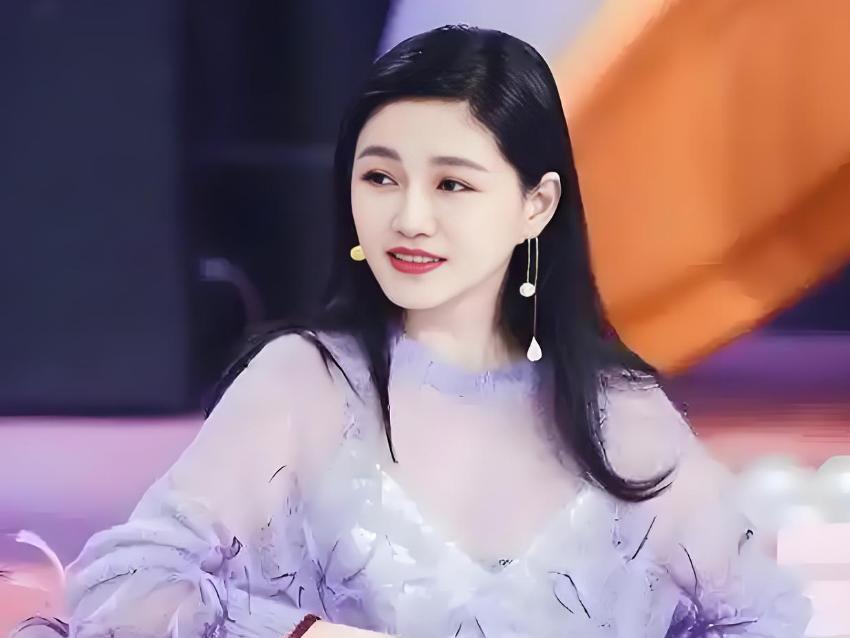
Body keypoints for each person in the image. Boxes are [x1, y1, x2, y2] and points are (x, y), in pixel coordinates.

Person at [10, 25, 810, 638]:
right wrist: (310, 634)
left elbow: (768, 619)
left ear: (536, 205)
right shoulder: (307, 383)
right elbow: (123, 581)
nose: (409, 217)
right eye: (380, 177)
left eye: (452, 184)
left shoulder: (621, 415)